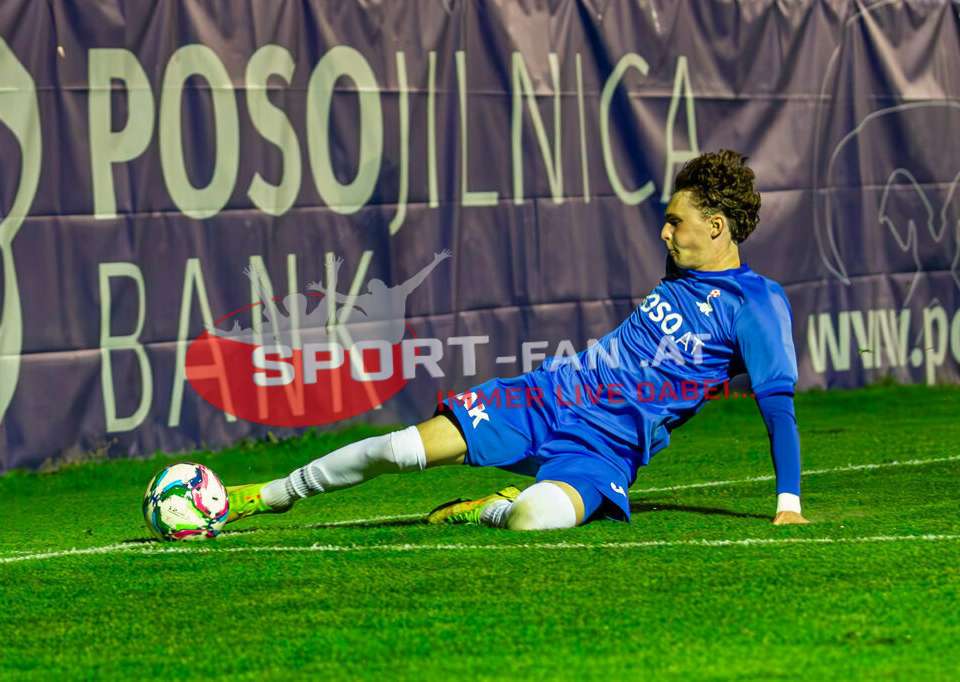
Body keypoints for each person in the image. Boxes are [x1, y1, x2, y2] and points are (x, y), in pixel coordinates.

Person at [226, 150, 808, 530]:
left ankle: (491, 509)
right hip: (545, 394)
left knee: (533, 518)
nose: (664, 230)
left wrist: (788, 507)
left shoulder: (757, 305)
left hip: (605, 448)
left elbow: (777, 407)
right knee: (397, 449)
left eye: (675, 221)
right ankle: (269, 493)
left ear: (716, 226)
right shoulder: (682, 267)